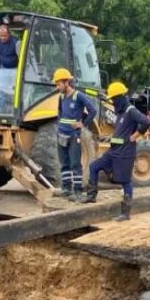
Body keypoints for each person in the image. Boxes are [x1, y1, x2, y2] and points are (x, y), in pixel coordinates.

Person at [83, 81, 150, 221]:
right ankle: (91, 196)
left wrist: (135, 136)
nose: (113, 102)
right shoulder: (120, 111)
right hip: (113, 150)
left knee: (125, 181)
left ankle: (125, 213)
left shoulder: (130, 110)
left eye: (114, 99)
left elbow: (146, 122)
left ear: (120, 97)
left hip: (125, 152)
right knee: (94, 167)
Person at [53, 67, 96, 201]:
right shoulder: (61, 97)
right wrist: (60, 125)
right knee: (64, 163)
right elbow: (60, 113)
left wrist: (83, 124)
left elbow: (93, 110)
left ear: (67, 82)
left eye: (59, 84)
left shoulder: (78, 96)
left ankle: (78, 191)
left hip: (73, 136)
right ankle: (66, 189)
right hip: (62, 134)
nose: (57, 87)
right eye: (56, 84)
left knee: (75, 164)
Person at [0, 24, 19, 114]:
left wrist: (21, 70)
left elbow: (20, 56)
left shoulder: (16, 42)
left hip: (15, 68)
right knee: (2, 90)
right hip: (4, 68)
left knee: (14, 90)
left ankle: (15, 111)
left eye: (5, 36)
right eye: (1, 36)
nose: (3, 38)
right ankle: (0, 112)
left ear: (9, 34)